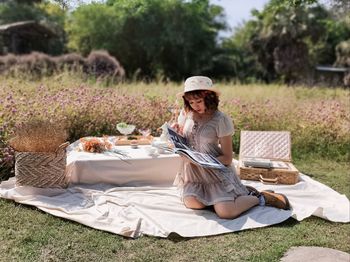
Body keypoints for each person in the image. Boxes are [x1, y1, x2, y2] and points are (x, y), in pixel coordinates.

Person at [172, 76, 290, 219]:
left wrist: (201, 161)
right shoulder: (186, 114)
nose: (195, 106)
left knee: (226, 213)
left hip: (215, 172)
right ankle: (236, 195)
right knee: (193, 204)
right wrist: (176, 132)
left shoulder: (220, 119)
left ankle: (260, 197)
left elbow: (227, 158)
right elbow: (185, 141)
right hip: (194, 174)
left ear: (209, 98)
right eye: (191, 102)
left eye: (198, 101)